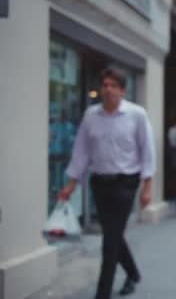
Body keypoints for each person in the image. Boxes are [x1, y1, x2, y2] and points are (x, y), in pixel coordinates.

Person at [58, 68, 155, 299]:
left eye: (113, 85)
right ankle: (133, 273)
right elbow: (81, 151)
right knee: (113, 235)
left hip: (126, 183)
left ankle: (102, 294)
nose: (108, 89)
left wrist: (147, 186)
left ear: (123, 90)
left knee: (109, 241)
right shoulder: (91, 116)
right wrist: (71, 184)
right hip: (99, 185)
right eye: (105, 85)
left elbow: (147, 151)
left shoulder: (137, 115)